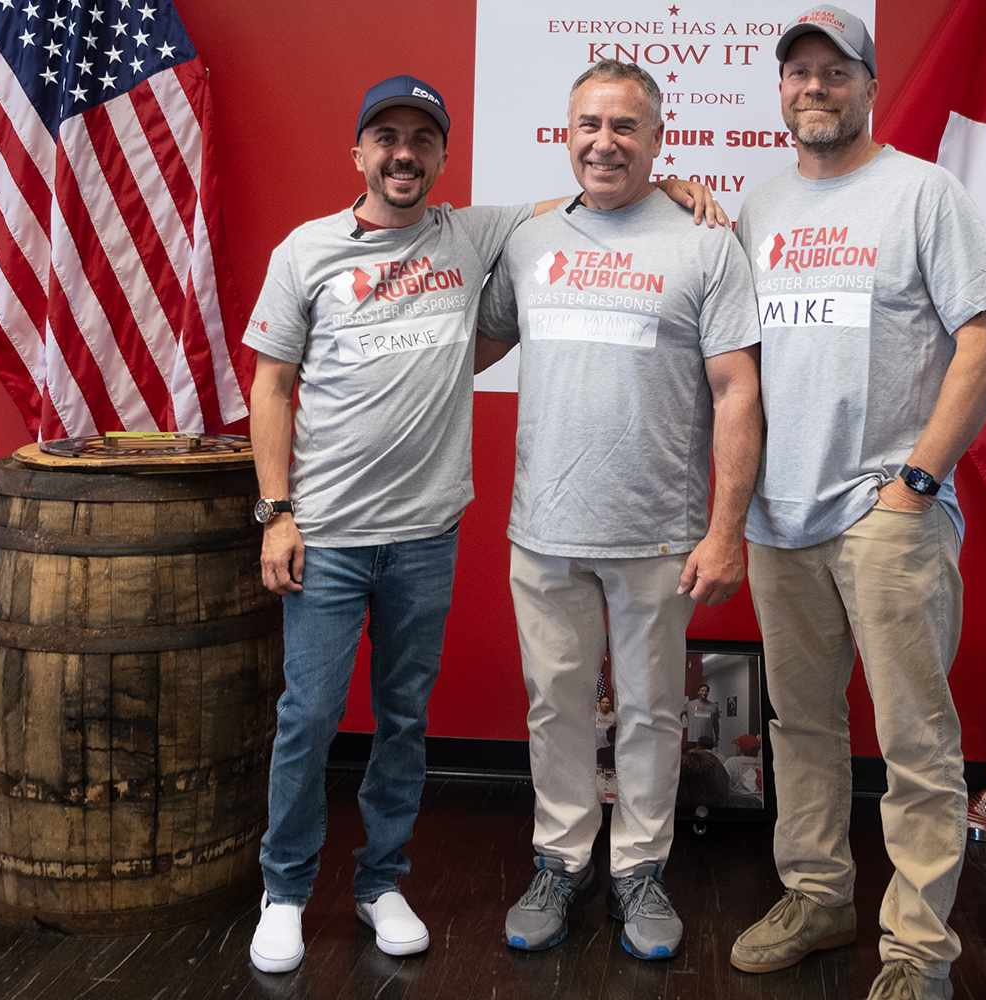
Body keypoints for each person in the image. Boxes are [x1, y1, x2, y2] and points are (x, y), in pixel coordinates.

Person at [242, 73, 723, 975]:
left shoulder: (475, 233)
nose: (402, 155)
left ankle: (385, 882)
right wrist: (276, 510)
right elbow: (271, 382)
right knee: (308, 717)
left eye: (420, 140)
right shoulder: (308, 251)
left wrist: (672, 185)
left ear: (441, 158)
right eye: (385, 138)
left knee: (404, 719)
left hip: (429, 531)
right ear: (358, 153)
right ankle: (287, 891)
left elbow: (593, 184)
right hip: (332, 533)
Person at [725, 8, 986, 1000]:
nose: (813, 87)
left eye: (833, 71)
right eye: (797, 72)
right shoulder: (757, 212)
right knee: (801, 727)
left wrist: (918, 482)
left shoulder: (923, 194)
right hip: (780, 516)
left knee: (915, 739)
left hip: (886, 512)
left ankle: (918, 951)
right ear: (781, 91)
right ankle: (817, 895)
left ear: (867, 83)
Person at [474, 59, 763, 962]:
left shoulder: (706, 243)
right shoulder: (526, 241)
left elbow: (737, 392)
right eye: (590, 125)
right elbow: (469, 347)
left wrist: (725, 530)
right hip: (546, 526)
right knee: (554, 704)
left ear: (657, 138)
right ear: (567, 135)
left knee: (650, 712)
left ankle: (640, 867)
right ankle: (561, 860)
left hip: (660, 533)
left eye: (626, 127)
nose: (606, 142)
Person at [681, 683, 720, 750]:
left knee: (706, 758)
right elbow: (679, 714)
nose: (704, 693)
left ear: (708, 693)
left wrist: (717, 737)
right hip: (693, 739)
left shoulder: (714, 706)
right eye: (702, 690)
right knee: (693, 758)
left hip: (707, 740)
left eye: (706, 691)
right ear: (698, 692)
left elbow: (716, 724)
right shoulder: (689, 704)